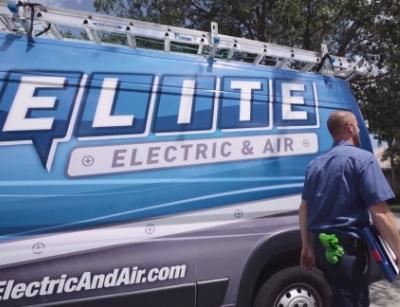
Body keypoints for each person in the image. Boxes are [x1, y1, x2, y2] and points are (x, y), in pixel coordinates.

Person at [299, 110, 400, 307]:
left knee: (338, 297)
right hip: (347, 251)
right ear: (350, 128)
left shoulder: (314, 165)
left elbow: (304, 209)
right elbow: (381, 213)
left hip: (323, 250)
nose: (360, 132)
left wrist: (306, 246)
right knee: (353, 301)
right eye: (358, 127)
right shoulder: (363, 159)